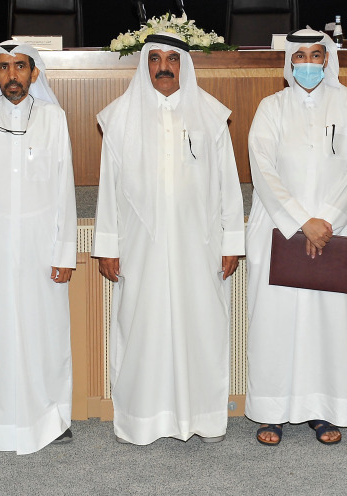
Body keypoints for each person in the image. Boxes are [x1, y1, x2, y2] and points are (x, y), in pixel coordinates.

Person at [92, 33, 244, 445]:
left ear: (184, 66)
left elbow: (228, 183)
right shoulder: (119, 116)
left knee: (202, 326)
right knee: (142, 326)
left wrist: (233, 241)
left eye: (173, 59)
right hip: (140, 245)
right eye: (155, 58)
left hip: (201, 243)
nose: (164, 66)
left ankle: (202, 416)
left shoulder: (211, 115)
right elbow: (108, 187)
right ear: (144, 64)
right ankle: (144, 419)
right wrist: (107, 245)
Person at [244, 29, 347, 446]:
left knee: (330, 322)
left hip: (336, 231)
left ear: (328, 59)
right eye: (299, 56)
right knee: (276, 321)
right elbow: (261, 167)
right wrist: (303, 220)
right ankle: (272, 411)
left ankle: (324, 409)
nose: (308, 63)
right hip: (281, 229)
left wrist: (328, 220)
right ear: (288, 61)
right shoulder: (271, 107)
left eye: (316, 55)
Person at [0, 41, 77, 453]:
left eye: (20, 67)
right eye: (3, 68)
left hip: (41, 249)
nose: (12, 75)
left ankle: (53, 417)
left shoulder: (54, 119)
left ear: (34, 73)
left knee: (45, 331)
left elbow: (65, 190)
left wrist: (64, 252)